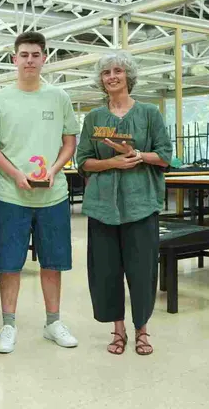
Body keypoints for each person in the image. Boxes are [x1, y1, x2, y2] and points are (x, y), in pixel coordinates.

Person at [0, 31, 80, 354]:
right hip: (12, 195)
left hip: (53, 195)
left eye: (35, 54)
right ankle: (8, 325)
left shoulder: (59, 98)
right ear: (14, 58)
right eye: (23, 54)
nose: (29, 60)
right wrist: (14, 174)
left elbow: (69, 142)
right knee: (9, 263)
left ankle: (53, 322)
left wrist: (54, 169)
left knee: (53, 262)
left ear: (44, 58)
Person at [75, 51, 172, 356]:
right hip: (102, 207)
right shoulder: (93, 118)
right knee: (105, 270)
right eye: (106, 73)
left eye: (117, 70)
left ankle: (142, 330)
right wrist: (113, 162)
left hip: (141, 203)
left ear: (128, 76)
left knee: (142, 269)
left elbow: (166, 155)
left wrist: (139, 156)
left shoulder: (149, 114)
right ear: (101, 81)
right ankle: (118, 330)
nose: (112, 76)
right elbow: (83, 162)